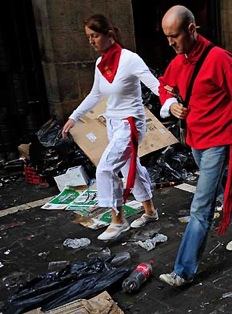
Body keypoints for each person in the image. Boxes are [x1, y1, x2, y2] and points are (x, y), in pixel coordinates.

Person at [157, 5, 232, 287]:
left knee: (201, 206)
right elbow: (164, 85)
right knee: (223, 187)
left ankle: (183, 271)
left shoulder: (220, 59)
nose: (170, 42)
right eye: (166, 36)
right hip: (195, 141)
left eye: (175, 36)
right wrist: (171, 105)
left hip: (219, 142)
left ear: (192, 30)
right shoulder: (179, 59)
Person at [61, 14, 160, 241]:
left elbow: (156, 85)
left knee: (105, 168)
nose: (91, 41)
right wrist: (74, 116)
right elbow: (95, 94)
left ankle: (118, 220)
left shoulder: (130, 59)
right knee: (129, 168)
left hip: (131, 123)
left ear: (109, 34)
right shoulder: (100, 63)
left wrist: (173, 103)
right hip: (113, 123)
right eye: (88, 37)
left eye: (94, 36)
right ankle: (150, 211)